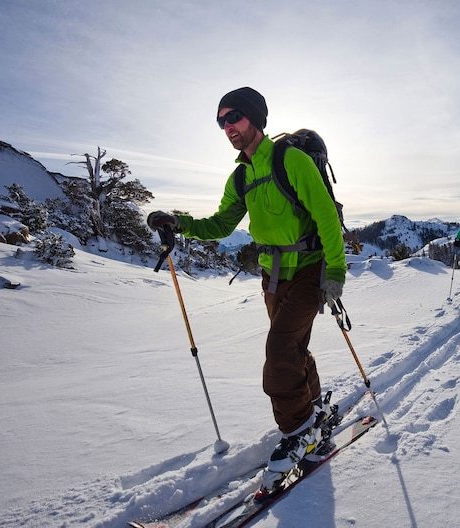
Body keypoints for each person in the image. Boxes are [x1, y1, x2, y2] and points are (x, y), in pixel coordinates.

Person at [146, 87, 346, 494]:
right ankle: (314, 407)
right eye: (220, 121)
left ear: (254, 117)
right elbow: (220, 225)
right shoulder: (240, 176)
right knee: (293, 348)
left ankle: (299, 429)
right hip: (272, 276)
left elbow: (326, 214)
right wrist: (179, 222)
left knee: (278, 352)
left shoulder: (291, 159)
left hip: (309, 271)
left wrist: (335, 272)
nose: (226, 127)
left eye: (233, 117)